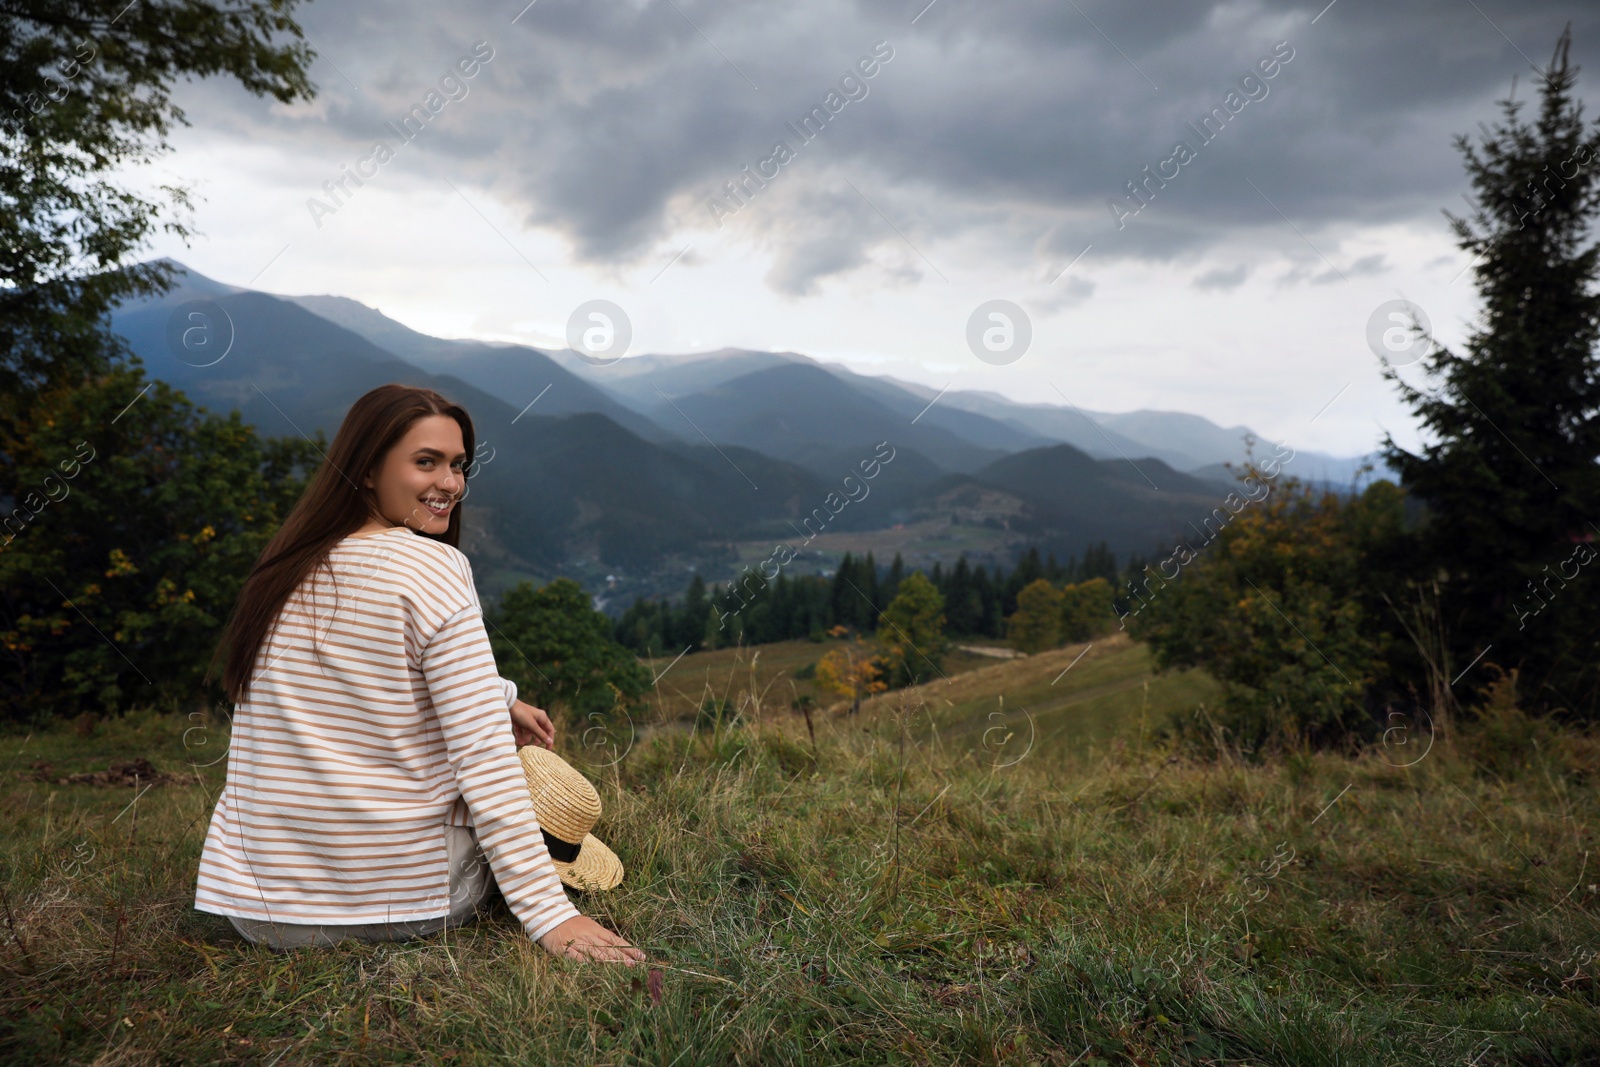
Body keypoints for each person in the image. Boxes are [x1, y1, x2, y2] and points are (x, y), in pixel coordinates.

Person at [194, 383, 644, 964]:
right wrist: (551, 914)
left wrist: (498, 695)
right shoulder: (434, 566)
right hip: (397, 902)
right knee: (516, 785)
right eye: (425, 462)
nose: (450, 484)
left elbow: (367, 667)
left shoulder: (285, 568)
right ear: (367, 470)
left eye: (458, 465)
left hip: (260, 910)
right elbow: (483, 759)